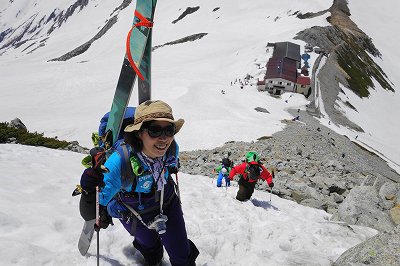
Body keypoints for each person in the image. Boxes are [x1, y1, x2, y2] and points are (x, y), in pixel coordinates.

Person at [80, 100, 199, 266]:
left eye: (169, 130)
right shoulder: (120, 162)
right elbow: (92, 213)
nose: (164, 138)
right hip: (132, 211)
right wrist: (89, 191)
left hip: (167, 201)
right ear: (138, 133)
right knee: (151, 250)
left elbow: (170, 165)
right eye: (154, 130)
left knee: (182, 255)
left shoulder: (171, 148)